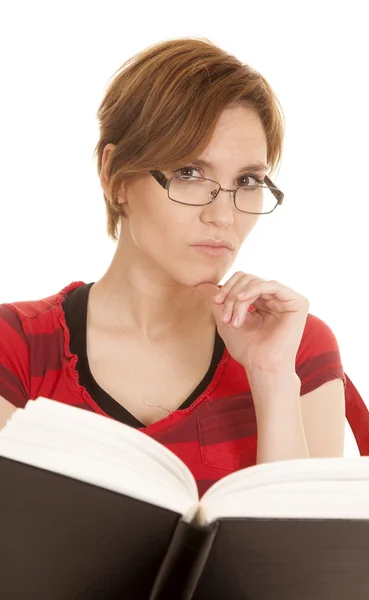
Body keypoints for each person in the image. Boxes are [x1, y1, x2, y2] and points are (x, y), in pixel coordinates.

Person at [0, 37, 346, 497]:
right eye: (188, 172)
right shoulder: (17, 347)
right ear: (115, 175)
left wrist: (272, 379)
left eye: (247, 181)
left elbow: (306, 565)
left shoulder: (295, 347)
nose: (222, 215)